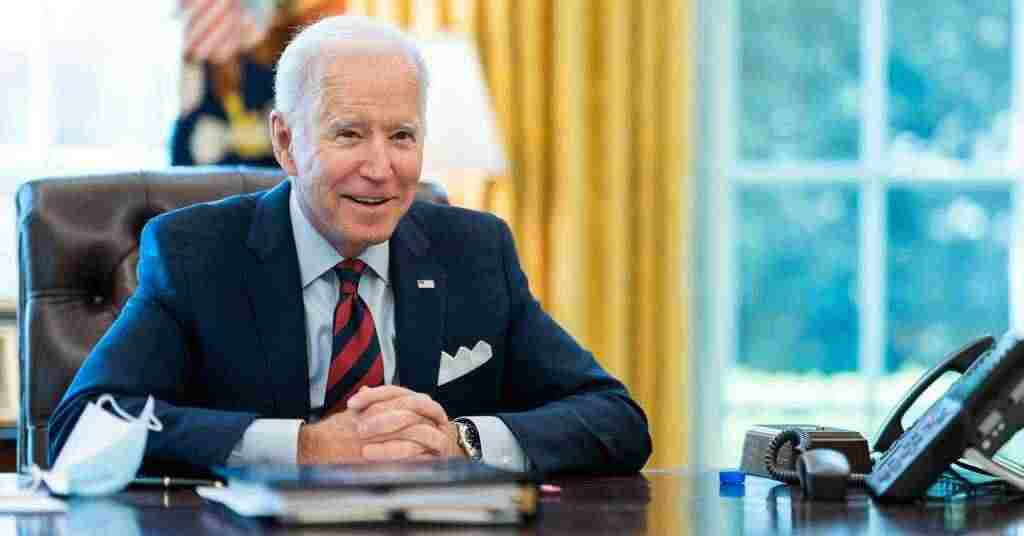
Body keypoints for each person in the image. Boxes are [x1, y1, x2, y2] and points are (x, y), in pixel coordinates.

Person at [49, 15, 651, 476]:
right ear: (286, 143)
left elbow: (614, 417)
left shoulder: (475, 251)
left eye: (402, 136)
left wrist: (458, 440)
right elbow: (85, 424)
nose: (381, 168)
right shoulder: (195, 253)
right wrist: (304, 446)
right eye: (349, 134)